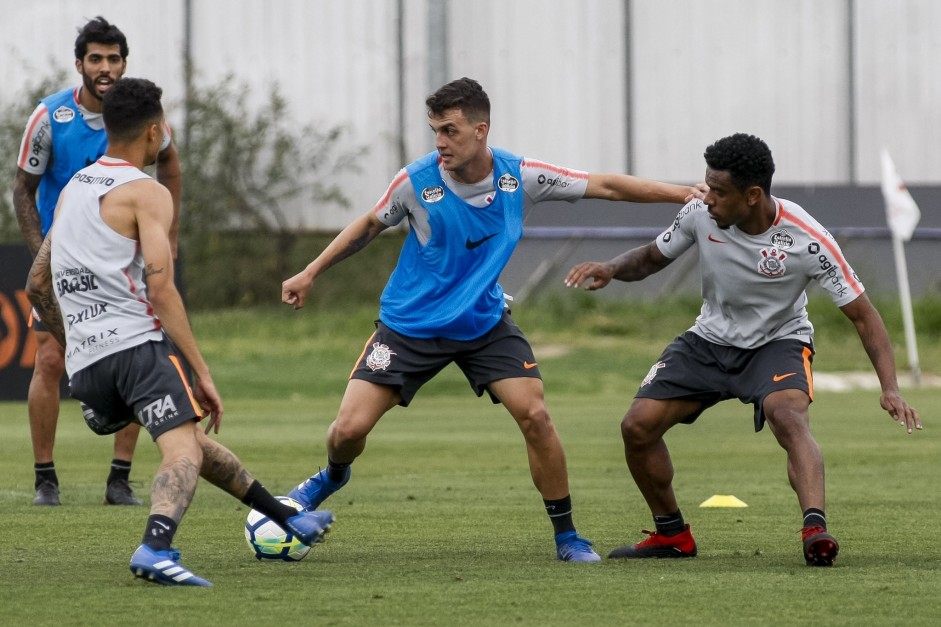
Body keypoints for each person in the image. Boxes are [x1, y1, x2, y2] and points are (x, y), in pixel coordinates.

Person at [281, 77, 705, 562]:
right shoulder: (415, 182)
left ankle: (568, 537)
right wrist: (310, 271)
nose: (439, 142)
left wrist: (681, 194)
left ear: (481, 130)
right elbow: (369, 225)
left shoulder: (520, 176)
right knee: (347, 432)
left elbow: (605, 184)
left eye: (450, 131)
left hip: (484, 324)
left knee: (536, 416)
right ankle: (333, 475)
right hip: (409, 327)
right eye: (435, 131)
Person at [25, 77, 334, 586]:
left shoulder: (74, 189)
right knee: (184, 449)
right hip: (135, 345)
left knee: (187, 439)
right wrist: (201, 371)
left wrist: (76, 343)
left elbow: (38, 282)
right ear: (154, 131)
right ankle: (155, 546)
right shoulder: (147, 193)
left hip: (87, 368)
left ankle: (287, 517)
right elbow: (162, 289)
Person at [564, 133, 923, 566]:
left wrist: (889, 388)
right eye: (706, 186)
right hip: (709, 340)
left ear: (752, 195)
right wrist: (611, 268)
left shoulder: (808, 239)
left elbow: (864, 315)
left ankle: (815, 531)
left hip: (779, 341)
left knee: (787, 415)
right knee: (636, 427)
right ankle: (673, 536)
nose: (706, 198)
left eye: (719, 191)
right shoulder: (699, 213)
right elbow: (652, 258)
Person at [14, 16, 182, 507]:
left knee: (134, 355)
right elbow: (23, 188)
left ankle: (119, 478)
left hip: (122, 263)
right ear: (80, 64)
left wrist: (169, 236)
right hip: (65, 266)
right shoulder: (50, 117)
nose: (105, 67)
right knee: (48, 359)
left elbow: (170, 164)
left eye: (113, 58)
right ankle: (46, 477)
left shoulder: (141, 117)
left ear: (124, 63)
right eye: (96, 58)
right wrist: (43, 253)